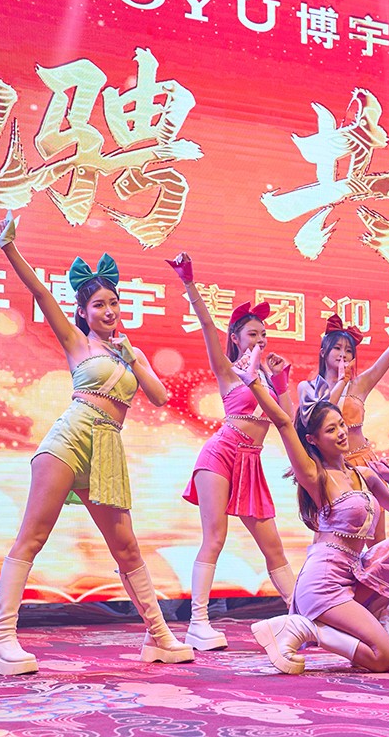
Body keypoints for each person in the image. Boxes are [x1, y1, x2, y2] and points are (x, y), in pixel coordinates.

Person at [0, 212, 191, 675]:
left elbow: (159, 397)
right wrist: (9, 247)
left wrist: (133, 357)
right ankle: (1, 640)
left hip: (107, 451)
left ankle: (159, 637)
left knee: (127, 549)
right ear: (84, 312)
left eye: (113, 302)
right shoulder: (79, 344)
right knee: (33, 537)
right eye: (99, 305)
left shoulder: (129, 351)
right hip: (70, 439)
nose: (109, 311)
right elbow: (40, 295)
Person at [240, 344, 389, 674]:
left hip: (351, 576)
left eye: (341, 425)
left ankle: (315, 628)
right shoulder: (316, 477)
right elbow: (284, 422)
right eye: (331, 429)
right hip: (322, 582)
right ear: (313, 440)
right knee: (385, 658)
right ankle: (308, 629)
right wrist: (255, 382)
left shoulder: (364, 475)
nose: (341, 433)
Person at [166, 252, 295, 650]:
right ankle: (198, 623)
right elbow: (207, 325)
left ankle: (304, 617)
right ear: (236, 339)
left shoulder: (268, 381)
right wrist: (189, 282)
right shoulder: (229, 371)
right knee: (215, 538)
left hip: (251, 463)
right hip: (220, 456)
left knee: (273, 547)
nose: (260, 340)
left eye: (263, 335)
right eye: (252, 334)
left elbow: (288, 422)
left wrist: (281, 381)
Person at [298, 304, 389, 637]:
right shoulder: (310, 388)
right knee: (330, 540)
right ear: (324, 351)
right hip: (331, 469)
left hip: (363, 463)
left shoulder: (360, 384)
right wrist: (339, 383)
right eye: (337, 348)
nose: (343, 355)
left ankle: (388, 610)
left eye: (349, 350)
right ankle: (318, 606)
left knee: (379, 540)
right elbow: (313, 417)